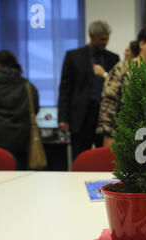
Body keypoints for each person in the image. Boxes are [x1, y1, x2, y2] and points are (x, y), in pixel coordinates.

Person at [57, 20, 120, 160]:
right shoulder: (73, 56)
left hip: (104, 117)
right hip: (80, 118)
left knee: (105, 160)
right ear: (91, 36)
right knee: (79, 158)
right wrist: (63, 118)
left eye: (107, 39)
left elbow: (117, 87)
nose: (105, 42)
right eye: (102, 39)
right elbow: (65, 88)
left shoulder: (113, 58)